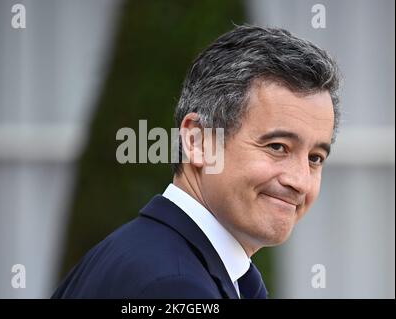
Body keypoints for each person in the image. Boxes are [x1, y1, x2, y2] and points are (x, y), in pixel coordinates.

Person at [52, 25, 341, 299]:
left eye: (315, 158)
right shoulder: (175, 286)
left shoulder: (148, 258)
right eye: (277, 147)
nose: (300, 181)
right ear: (197, 142)